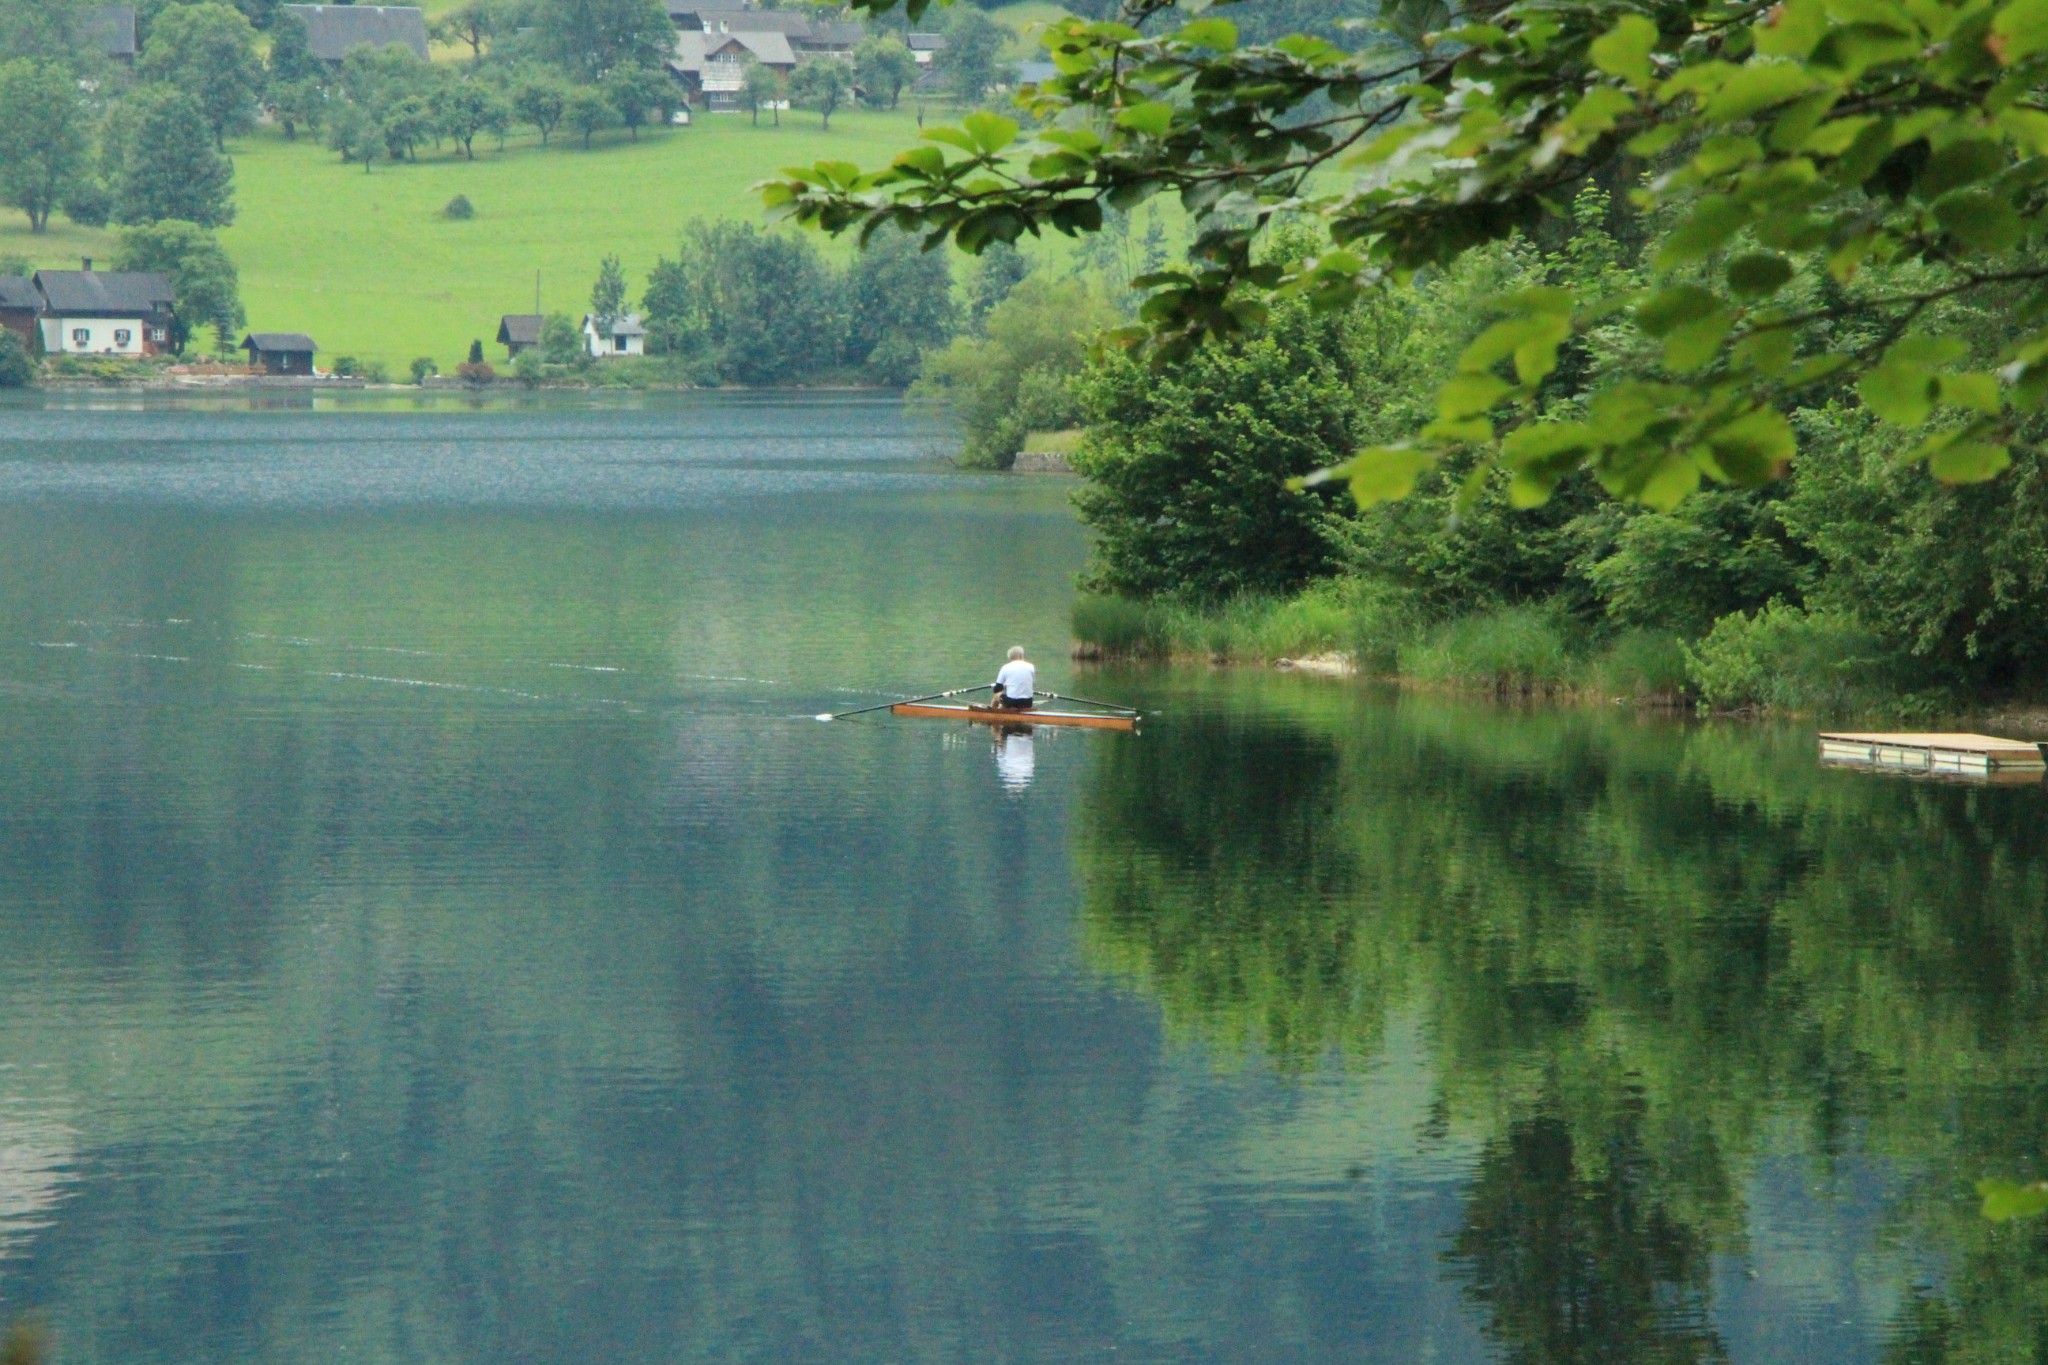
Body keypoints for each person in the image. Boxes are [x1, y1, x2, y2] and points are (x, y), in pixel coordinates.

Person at [991, 645, 1034, 711]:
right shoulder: (1031, 667)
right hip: (1028, 702)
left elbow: (997, 689)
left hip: (1012, 702)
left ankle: (992, 713)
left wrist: (1005, 686)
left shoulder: (1005, 667)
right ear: (1021, 655)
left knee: (997, 695)